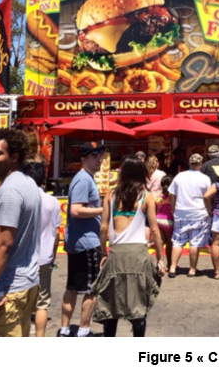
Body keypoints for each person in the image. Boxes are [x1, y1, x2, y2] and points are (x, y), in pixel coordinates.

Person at [0, 128, 41, 337]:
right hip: (24, 283)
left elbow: (3, 244)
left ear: (14, 157)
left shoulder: (10, 190)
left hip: (4, 289)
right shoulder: (27, 183)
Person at [93, 155, 165, 337]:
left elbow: (103, 228)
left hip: (116, 255)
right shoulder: (146, 197)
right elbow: (155, 230)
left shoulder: (111, 195)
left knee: (111, 305)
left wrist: (103, 253)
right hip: (138, 256)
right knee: (138, 305)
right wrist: (160, 259)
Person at [59, 141, 105, 337]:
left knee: (73, 286)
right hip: (86, 242)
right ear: (84, 159)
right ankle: (83, 330)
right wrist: (103, 210)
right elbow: (76, 210)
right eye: (95, 156)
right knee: (91, 289)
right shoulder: (84, 179)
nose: (99, 159)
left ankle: (65, 329)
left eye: (100, 155)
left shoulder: (85, 178)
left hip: (80, 240)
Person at [23, 156, 62, 337]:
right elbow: (57, 234)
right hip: (45, 257)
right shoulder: (52, 202)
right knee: (42, 303)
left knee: (21, 301)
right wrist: (53, 257)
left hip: (23, 258)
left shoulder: (22, 200)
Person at [167, 153, 211, 277]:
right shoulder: (205, 178)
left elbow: (171, 195)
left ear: (189, 163)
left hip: (181, 212)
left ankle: (172, 268)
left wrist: (173, 209)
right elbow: (208, 196)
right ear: (200, 163)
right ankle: (192, 269)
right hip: (199, 213)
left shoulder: (179, 176)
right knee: (195, 242)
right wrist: (209, 210)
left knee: (177, 241)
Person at [155, 174, 174, 272]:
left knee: (160, 243)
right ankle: (170, 264)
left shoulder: (157, 194)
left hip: (158, 220)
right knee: (169, 245)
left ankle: (159, 263)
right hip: (169, 221)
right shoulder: (172, 195)